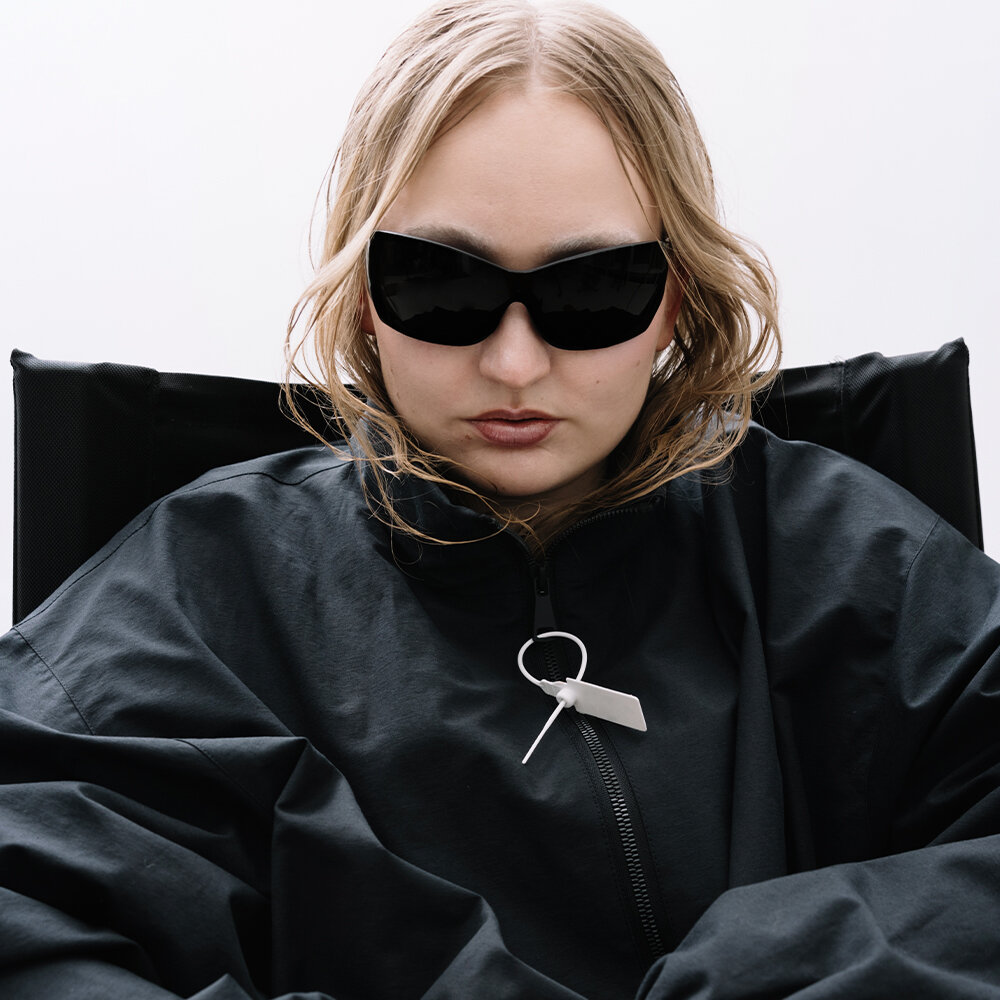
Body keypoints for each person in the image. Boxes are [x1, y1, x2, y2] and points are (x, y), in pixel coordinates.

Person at [1, 1, 998, 998]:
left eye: (593, 289)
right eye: (439, 284)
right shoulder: (200, 592)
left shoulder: (856, 563)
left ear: (677, 299)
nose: (514, 364)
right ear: (363, 293)